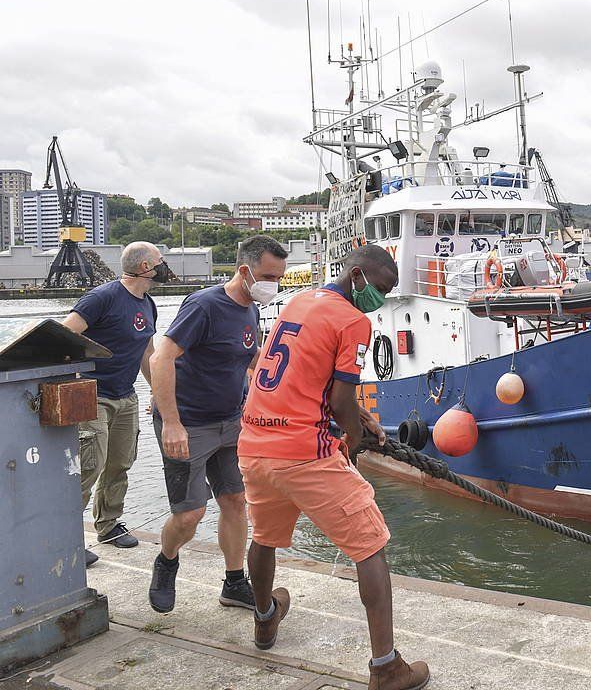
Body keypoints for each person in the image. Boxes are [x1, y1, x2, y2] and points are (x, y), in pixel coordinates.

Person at [237, 244, 428, 689]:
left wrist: (356, 415)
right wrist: (354, 439)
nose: (382, 298)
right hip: (305, 453)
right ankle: (386, 667)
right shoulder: (352, 320)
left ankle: (265, 619)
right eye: (382, 288)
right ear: (358, 275)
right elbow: (340, 398)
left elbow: (301, 375)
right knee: (371, 545)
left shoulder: (299, 303)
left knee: (264, 537)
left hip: (255, 444)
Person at [147, 235, 288, 614]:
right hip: (189, 423)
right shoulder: (205, 306)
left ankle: (234, 582)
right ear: (244, 270)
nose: (273, 285)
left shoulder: (250, 309)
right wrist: (171, 423)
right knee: (190, 514)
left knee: (235, 500)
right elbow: (163, 357)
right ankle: (167, 559)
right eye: (268, 276)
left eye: (279, 277)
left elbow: (246, 354)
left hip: (230, 422)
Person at [62, 242, 166, 566]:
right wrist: (74, 381)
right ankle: (65, 540)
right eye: (160, 261)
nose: (164, 266)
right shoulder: (102, 298)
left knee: (120, 463)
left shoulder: (148, 304)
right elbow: (65, 335)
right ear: (145, 266)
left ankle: (107, 525)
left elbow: (147, 352)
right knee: (89, 467)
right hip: (93, 395)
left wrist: (158, 391)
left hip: (126, 396)